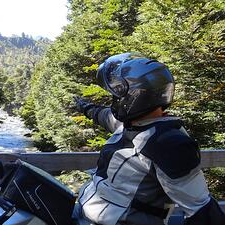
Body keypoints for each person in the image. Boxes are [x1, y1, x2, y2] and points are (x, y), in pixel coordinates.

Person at [73, 52, 225, 225]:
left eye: (117, 97)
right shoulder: (133, 124)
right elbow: (104, 116)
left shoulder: (167, 143)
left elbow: (201, 208)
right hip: (85, 213)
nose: (114, 102)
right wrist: (85, 107)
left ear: (136, 96)